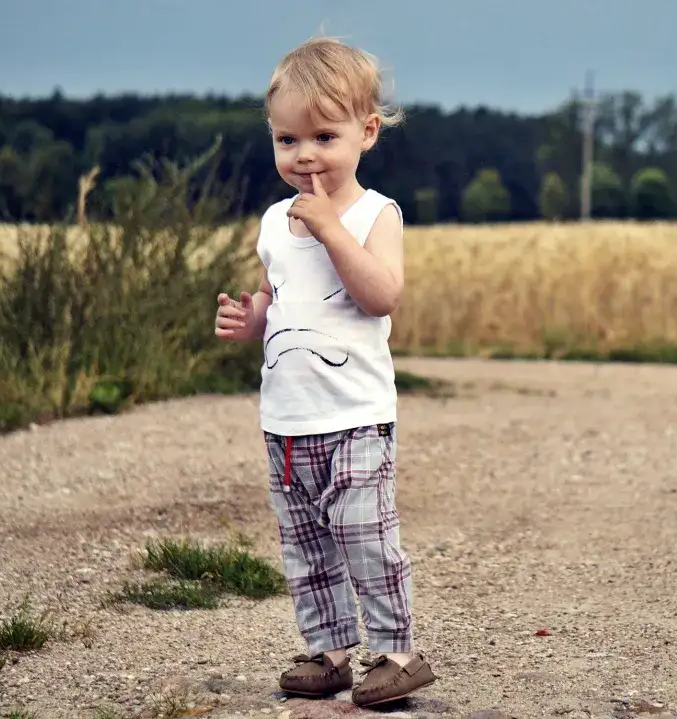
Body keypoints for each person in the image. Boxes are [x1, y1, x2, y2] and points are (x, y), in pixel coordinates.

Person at [213, 36, 435, 707]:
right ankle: (330, 649)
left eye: (323, 136)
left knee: (366, 539)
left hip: (355, 417)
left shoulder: (374, 214)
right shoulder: (275, 223)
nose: (304, 154)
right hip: (286, 420)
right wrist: (251, 319)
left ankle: (397, 651)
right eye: (287, 140)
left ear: (366, 133)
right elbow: (278, 298)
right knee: (306, 547)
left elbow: (381, 294)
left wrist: (333, 229)